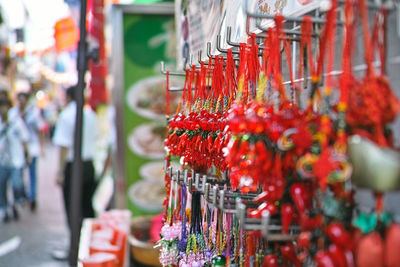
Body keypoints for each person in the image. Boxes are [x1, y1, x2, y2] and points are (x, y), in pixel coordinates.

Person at [52, 86, 98, 259]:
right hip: (89, 165)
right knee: (87, 207)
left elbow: (63, 146)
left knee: (72, 207)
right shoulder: (91, 115)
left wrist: (60, 172)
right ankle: (90, 247)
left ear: (69, 97)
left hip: (73, 166)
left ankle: (75, 248)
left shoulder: (66, 115)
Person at [10, 91, 46, 211]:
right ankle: (22, 195)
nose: (21, 101)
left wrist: (41, 147)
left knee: (32, 173)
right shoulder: (13, 113)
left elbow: (40, 130)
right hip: (17, 150)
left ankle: (32, 197)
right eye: (19, 99)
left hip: (32, 147)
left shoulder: (33, 113)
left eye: (23, 99)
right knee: (18, 174)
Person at [0, 97, 30, 222]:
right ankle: (4, 208)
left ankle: (15, 204)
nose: (3, 109)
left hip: (16, 160)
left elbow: (24, 139)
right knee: (1, 186)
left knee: (16, 184)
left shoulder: (16, 122)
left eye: (4, 106)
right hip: (2, 161)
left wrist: (27, 154)